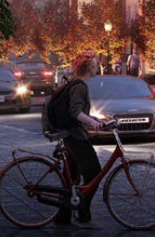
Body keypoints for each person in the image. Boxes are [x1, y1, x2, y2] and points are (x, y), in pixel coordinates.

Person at [50, 53, 106, 225]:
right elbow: (75, 111)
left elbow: (76, 111)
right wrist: (91, 122)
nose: (96, 67)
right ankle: (82, 211)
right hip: (76, 137)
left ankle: (63, 216)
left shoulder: (76, 83)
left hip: (71, 135)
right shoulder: (80, 86)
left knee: (72, 179)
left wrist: (94, 120)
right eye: (95, 65)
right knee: (94, 174)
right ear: (88, 67)